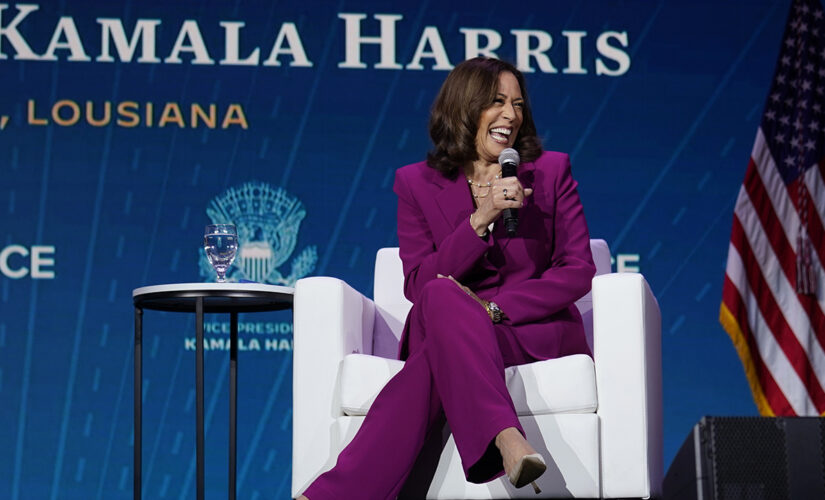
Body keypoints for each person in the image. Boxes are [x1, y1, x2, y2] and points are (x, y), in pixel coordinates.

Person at [299, 56, 595, 500]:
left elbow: (577, 269)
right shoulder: (415, 184)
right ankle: (506, 438)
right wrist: (481, 218)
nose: (511, 116)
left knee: (432, 365)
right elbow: (418, 283)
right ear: (464, 108)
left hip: (525, 330)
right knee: (438, 291)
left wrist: (494, 309)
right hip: (443, 317)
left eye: (518, 104)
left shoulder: (551, 172)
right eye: (496, 102)